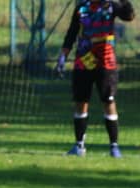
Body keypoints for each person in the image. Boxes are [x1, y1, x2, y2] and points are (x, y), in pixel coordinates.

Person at [57, 0, 135, 158]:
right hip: (84, 61)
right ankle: (79, 145)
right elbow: (72, 32)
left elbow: (129, 16)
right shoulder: (81, 8)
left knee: (108, 101)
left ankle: (114, 146)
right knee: (81, 101)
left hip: (105, 62)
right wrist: (63, 55)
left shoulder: (111, 6)